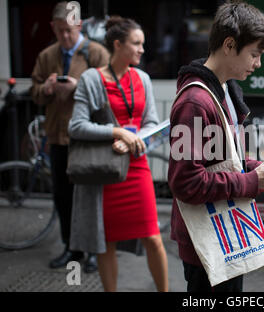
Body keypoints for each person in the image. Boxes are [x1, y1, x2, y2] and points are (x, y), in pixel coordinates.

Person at [168, 1, 264, 292]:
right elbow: (185, 183)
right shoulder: (194, 102)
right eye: (254, 54)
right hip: (206, 240)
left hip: (222, 234)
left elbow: (223, 160)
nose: (258, 64)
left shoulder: (225, 90)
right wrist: (252, 180)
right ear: (229, 45)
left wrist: (262, 169)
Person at [68, 16, 168, 292]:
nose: (142, 50)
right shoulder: (91, 79)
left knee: (153, 238)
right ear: (118, 45)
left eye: (142, 44)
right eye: (136, 44)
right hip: (106, 171)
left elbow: (151, 124)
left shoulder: (143, 79)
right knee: (106, 241)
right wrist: (117, 132)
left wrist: (133, 140)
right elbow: (76, 126)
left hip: (137, 166)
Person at [31, 1, 109, 273]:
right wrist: (47, 89)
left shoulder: (97, 54)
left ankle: (92, 251)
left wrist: (79, 90)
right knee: (63, 197)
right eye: (60, 31)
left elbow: (108, 97)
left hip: (87, 139)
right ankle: (71, 248)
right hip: (57, 138)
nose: (65, 36)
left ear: (79, 26)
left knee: (88, 197)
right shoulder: (46, 56)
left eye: (70, 31)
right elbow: (35, 92)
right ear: (53, 27)